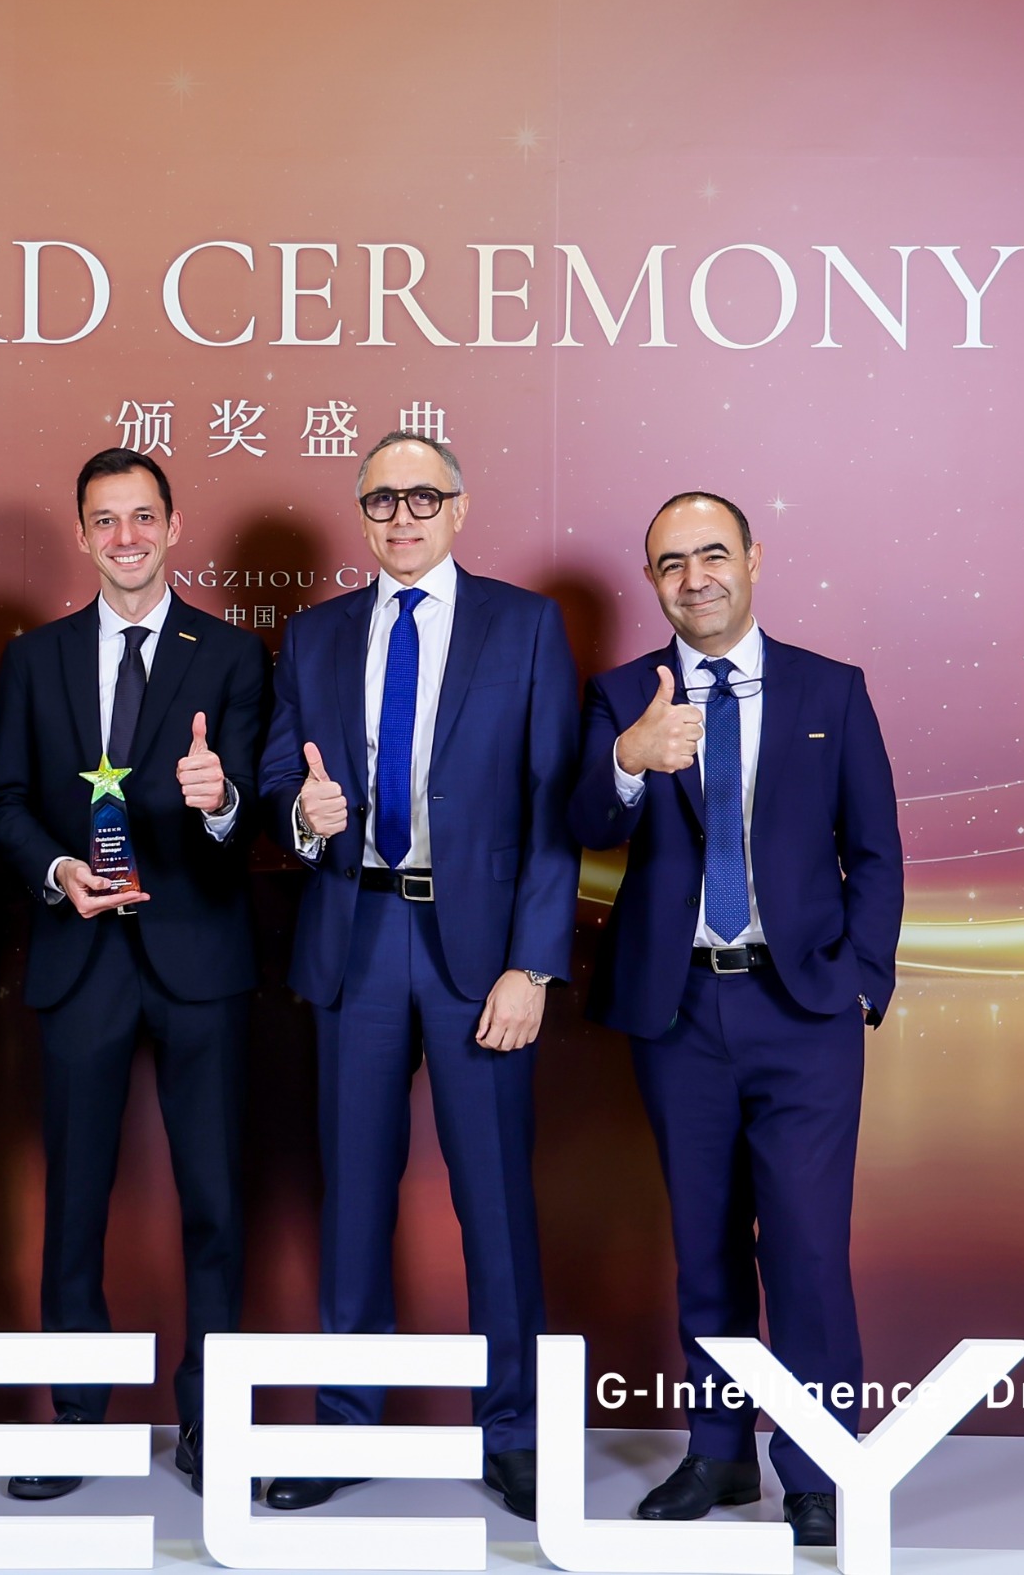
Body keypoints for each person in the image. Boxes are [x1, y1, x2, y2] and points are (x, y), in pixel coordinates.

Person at [567, 492, 902, 1550]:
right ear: (652, 581)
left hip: (803, 1008)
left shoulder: (829, 688)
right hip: (678, 1008)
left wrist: (862, 978)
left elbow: (875, 848)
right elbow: (583, 821)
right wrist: (630, 757)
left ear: (753, 559)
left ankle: (817, 1464)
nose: (695, 577)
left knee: (805, 1246)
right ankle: (716, 1452)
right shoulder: (622, 692)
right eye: (671, 563)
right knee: (704, 1244)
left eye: (713, 554)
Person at [256, 431, 580, 1522]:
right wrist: (305, 813)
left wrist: (533, 963)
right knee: (352, 1194)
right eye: (382, 499)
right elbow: (279, 776)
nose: (401, 516)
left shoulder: (524, 625)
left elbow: (553, 809)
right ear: (361, 513)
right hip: (355, 935)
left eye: (422, 497)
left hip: (479, 952)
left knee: (495, 1198)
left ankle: (516, 1430)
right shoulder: (314, 634)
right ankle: (346, 1420)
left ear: (459, 507)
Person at [0, 448, 270, 1497]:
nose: (126, 538)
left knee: (216, 1200)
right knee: (74, 1202)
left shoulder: (233, 656)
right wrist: (57, 870)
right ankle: (76, 1421)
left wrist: (218, 798)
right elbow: (3, 801)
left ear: (173, 526)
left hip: (201, 954)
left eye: (143, 517)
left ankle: (212, 1421)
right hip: (81, 957)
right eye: (105, 520)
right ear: (81, 534)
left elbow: (253, 811)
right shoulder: (35, 658)